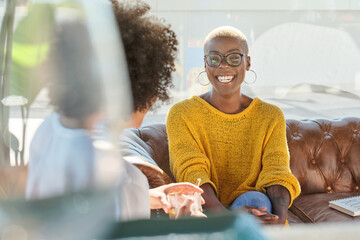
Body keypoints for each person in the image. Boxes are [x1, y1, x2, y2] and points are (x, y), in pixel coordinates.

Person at [26, 0, 203, 221]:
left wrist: (146, 195)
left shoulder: (48, 130)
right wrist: (186, 229)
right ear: (146, 93)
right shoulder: (117, 174)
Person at [166, 26, 301, 225]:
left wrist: (279, 220)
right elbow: (193, 172)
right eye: (214, 58)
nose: (223, 66)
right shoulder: (182, 114)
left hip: (257, 210)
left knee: (257, 201)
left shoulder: (270, 116)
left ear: (247, 62)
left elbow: (277, 172)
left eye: (234, 58)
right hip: (209, 212)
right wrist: (229, 218)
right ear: (205, 64)